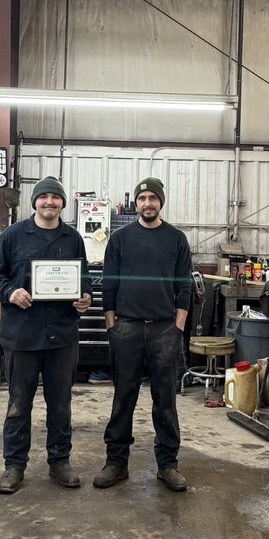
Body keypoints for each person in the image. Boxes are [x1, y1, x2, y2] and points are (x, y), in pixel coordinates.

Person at [0, 176, 93, 495]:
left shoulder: (72, 238)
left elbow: (84, 278)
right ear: (34, 202)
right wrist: (10, 292)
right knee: (19, 404)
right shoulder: (14, 235)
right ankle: (14, 466)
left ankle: (60, 462)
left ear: (62, 203)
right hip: (23, 335)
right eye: (43, 197)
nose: (49, 202)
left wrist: (85, 296)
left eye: (55, 198)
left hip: (62, 336)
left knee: (60, 404)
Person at [94, 177, 193, 492]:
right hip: (127, 327)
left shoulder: (177, 239)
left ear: (161, 202)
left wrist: (178, 325)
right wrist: (112, 324)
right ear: (135, 203)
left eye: (153, 198)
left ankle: (168, 465)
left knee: (165, 400)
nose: (147, 203)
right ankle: (116, 463)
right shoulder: (121, 239)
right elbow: (109, 283)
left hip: (165, 329)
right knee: (124, 397)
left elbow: (184, 287)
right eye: (142, 198)